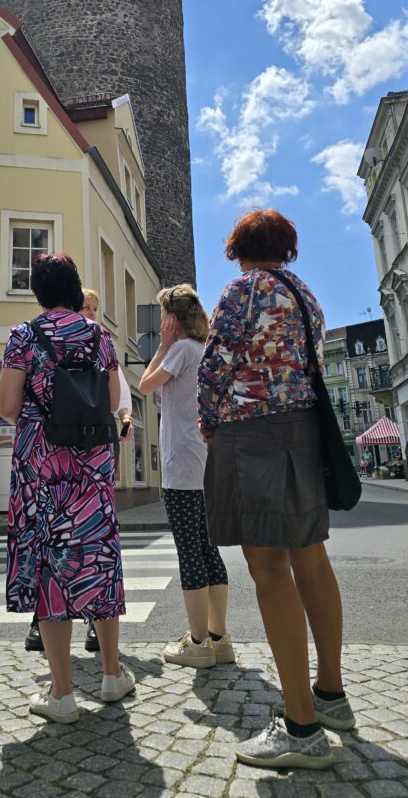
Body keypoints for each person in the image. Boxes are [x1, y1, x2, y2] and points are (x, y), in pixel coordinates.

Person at [198, 209, 354, 771]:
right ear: (285, 248)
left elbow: (215, 366)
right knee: (311, 559)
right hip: (303, 431)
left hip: (252, 430)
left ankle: (301, 728)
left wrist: (209, 422)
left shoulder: (242, 290)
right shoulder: (305, 294)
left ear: (238, 247)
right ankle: (330, 695)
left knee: (267, 568)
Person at [0, 254, 135, 724]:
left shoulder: (23, 336)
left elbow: (9, 407)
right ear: (76, 288)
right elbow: (115, 400)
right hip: (91, 459)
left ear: (37, 290)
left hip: (42, 462)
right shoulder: (99, 334)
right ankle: (113, 674)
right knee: (97, 553)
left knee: (48, 561)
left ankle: (61, 693)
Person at [24, 286, 133, 656]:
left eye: (94, 308)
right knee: (58, 537)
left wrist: (125, 418)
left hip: (92, 449)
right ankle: (43, 623)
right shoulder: (71, 340)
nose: (88, 313)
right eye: (84, 306)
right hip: (63, 453)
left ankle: (91, 623)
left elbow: (120, 400)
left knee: (90, 539)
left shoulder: (101, 344)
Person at [138, 284, 233, 669]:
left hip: (181, 469)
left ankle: (196, 643)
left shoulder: (178, 350)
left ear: (173, 319)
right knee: (210, 550)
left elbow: (145, 385)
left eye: (164, 315)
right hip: (207, 466)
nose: (161, 322)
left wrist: (161, 346)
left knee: (189, 553)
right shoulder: (203, 350)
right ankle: (219, 636)